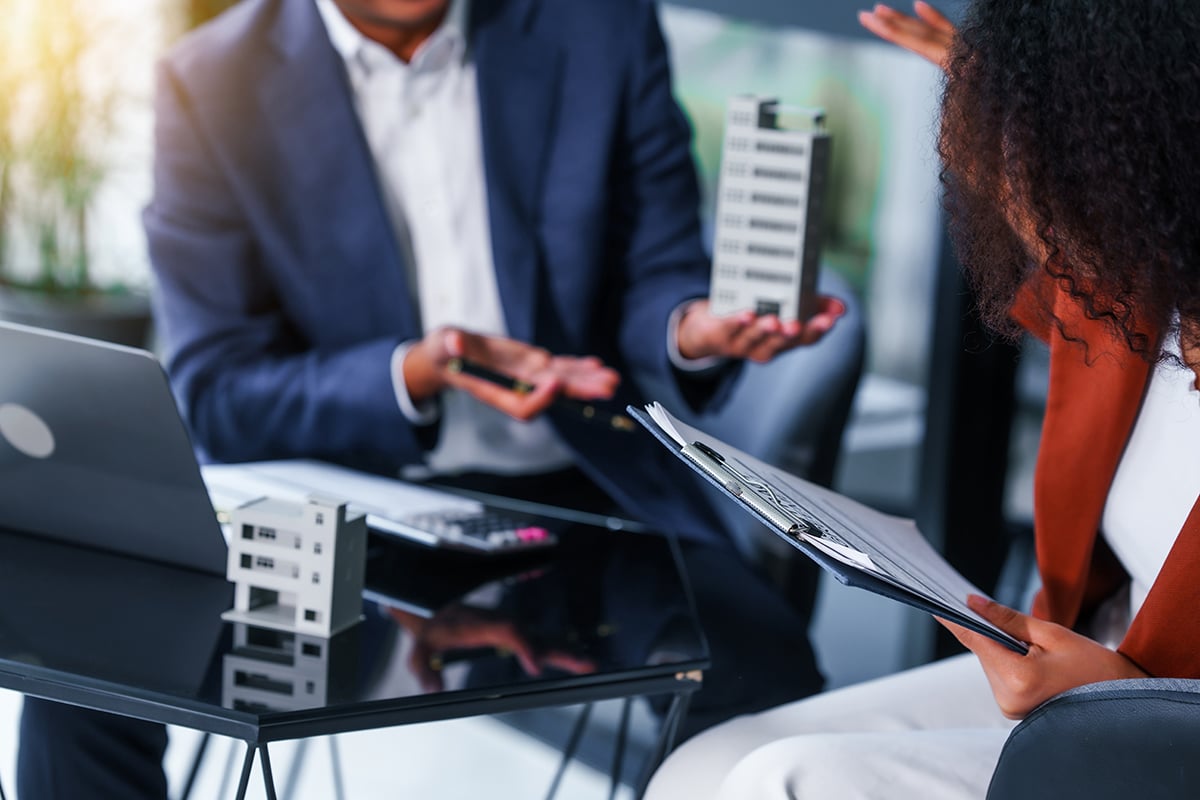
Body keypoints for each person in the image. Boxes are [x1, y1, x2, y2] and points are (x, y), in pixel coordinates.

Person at [17, 0, 843, 796]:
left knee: (762, 681)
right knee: (83, 671)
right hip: (333, 502)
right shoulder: (211, 78)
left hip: (584, 492)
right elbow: (219, 389)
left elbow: (655, 270)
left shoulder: (600, 26)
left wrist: (691, 330)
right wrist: (411, 372)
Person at [645, 1, 1200, 797]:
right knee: (701, 768)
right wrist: (1010, 113)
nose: (1027, 209)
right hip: (1085, 664)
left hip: (1164, 732)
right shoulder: (1132, 291)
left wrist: (1126, 700)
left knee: (782, 779)